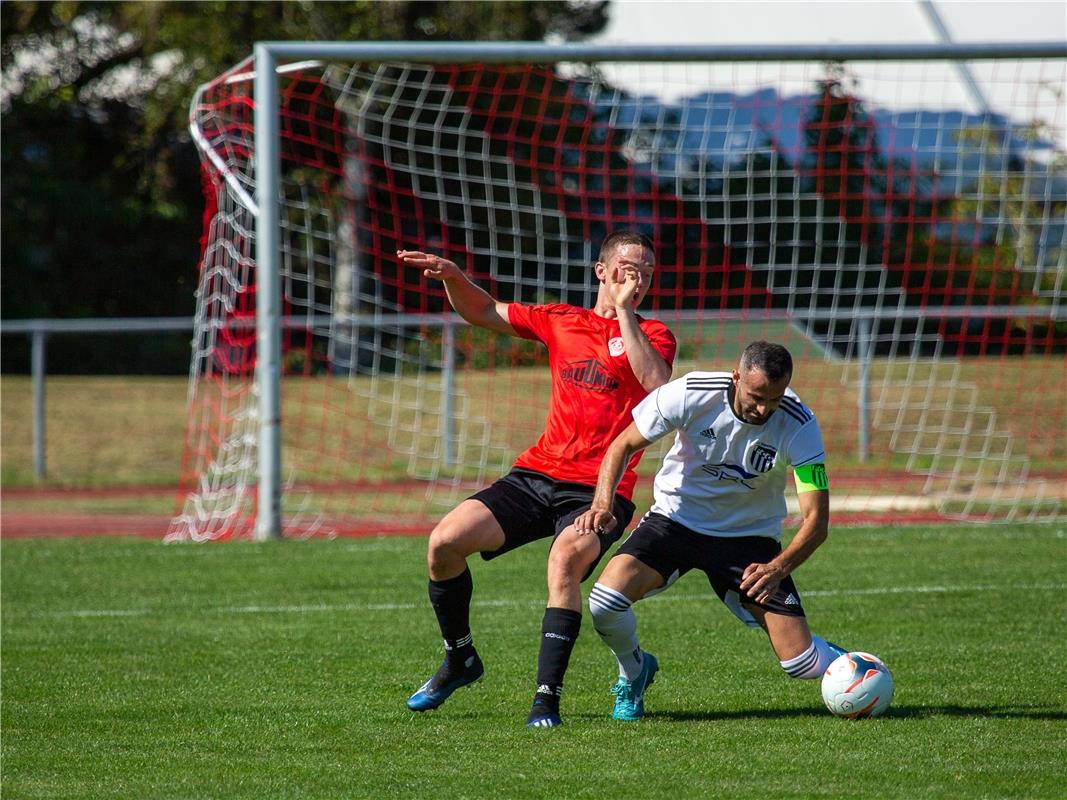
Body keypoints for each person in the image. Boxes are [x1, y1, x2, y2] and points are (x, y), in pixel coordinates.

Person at [397, 232, 677, 728]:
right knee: (443, 543)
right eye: (627, 267)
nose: (636, 277)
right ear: (601, 270)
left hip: (600, 489)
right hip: (535, 474)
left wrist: (625, 311)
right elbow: (483, 312)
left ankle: (546, 702)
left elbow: (657, 386)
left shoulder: (655, 333)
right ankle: (460, 659)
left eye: (646, 272)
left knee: (565, 559)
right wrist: (455, 277)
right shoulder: (562, 320)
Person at [574, 340, 843, 721]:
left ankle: (856, 668)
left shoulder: (799, 423)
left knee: (800, 664)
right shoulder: (690, 393)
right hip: (676, 521)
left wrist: (777, 568)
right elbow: (622, 445)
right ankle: (634, 673)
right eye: (756, 396)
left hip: (748, 538)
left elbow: (816, 522)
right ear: (736, 378)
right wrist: (602, 503)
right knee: (604, 603)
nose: (764, 408)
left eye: (775, 398)